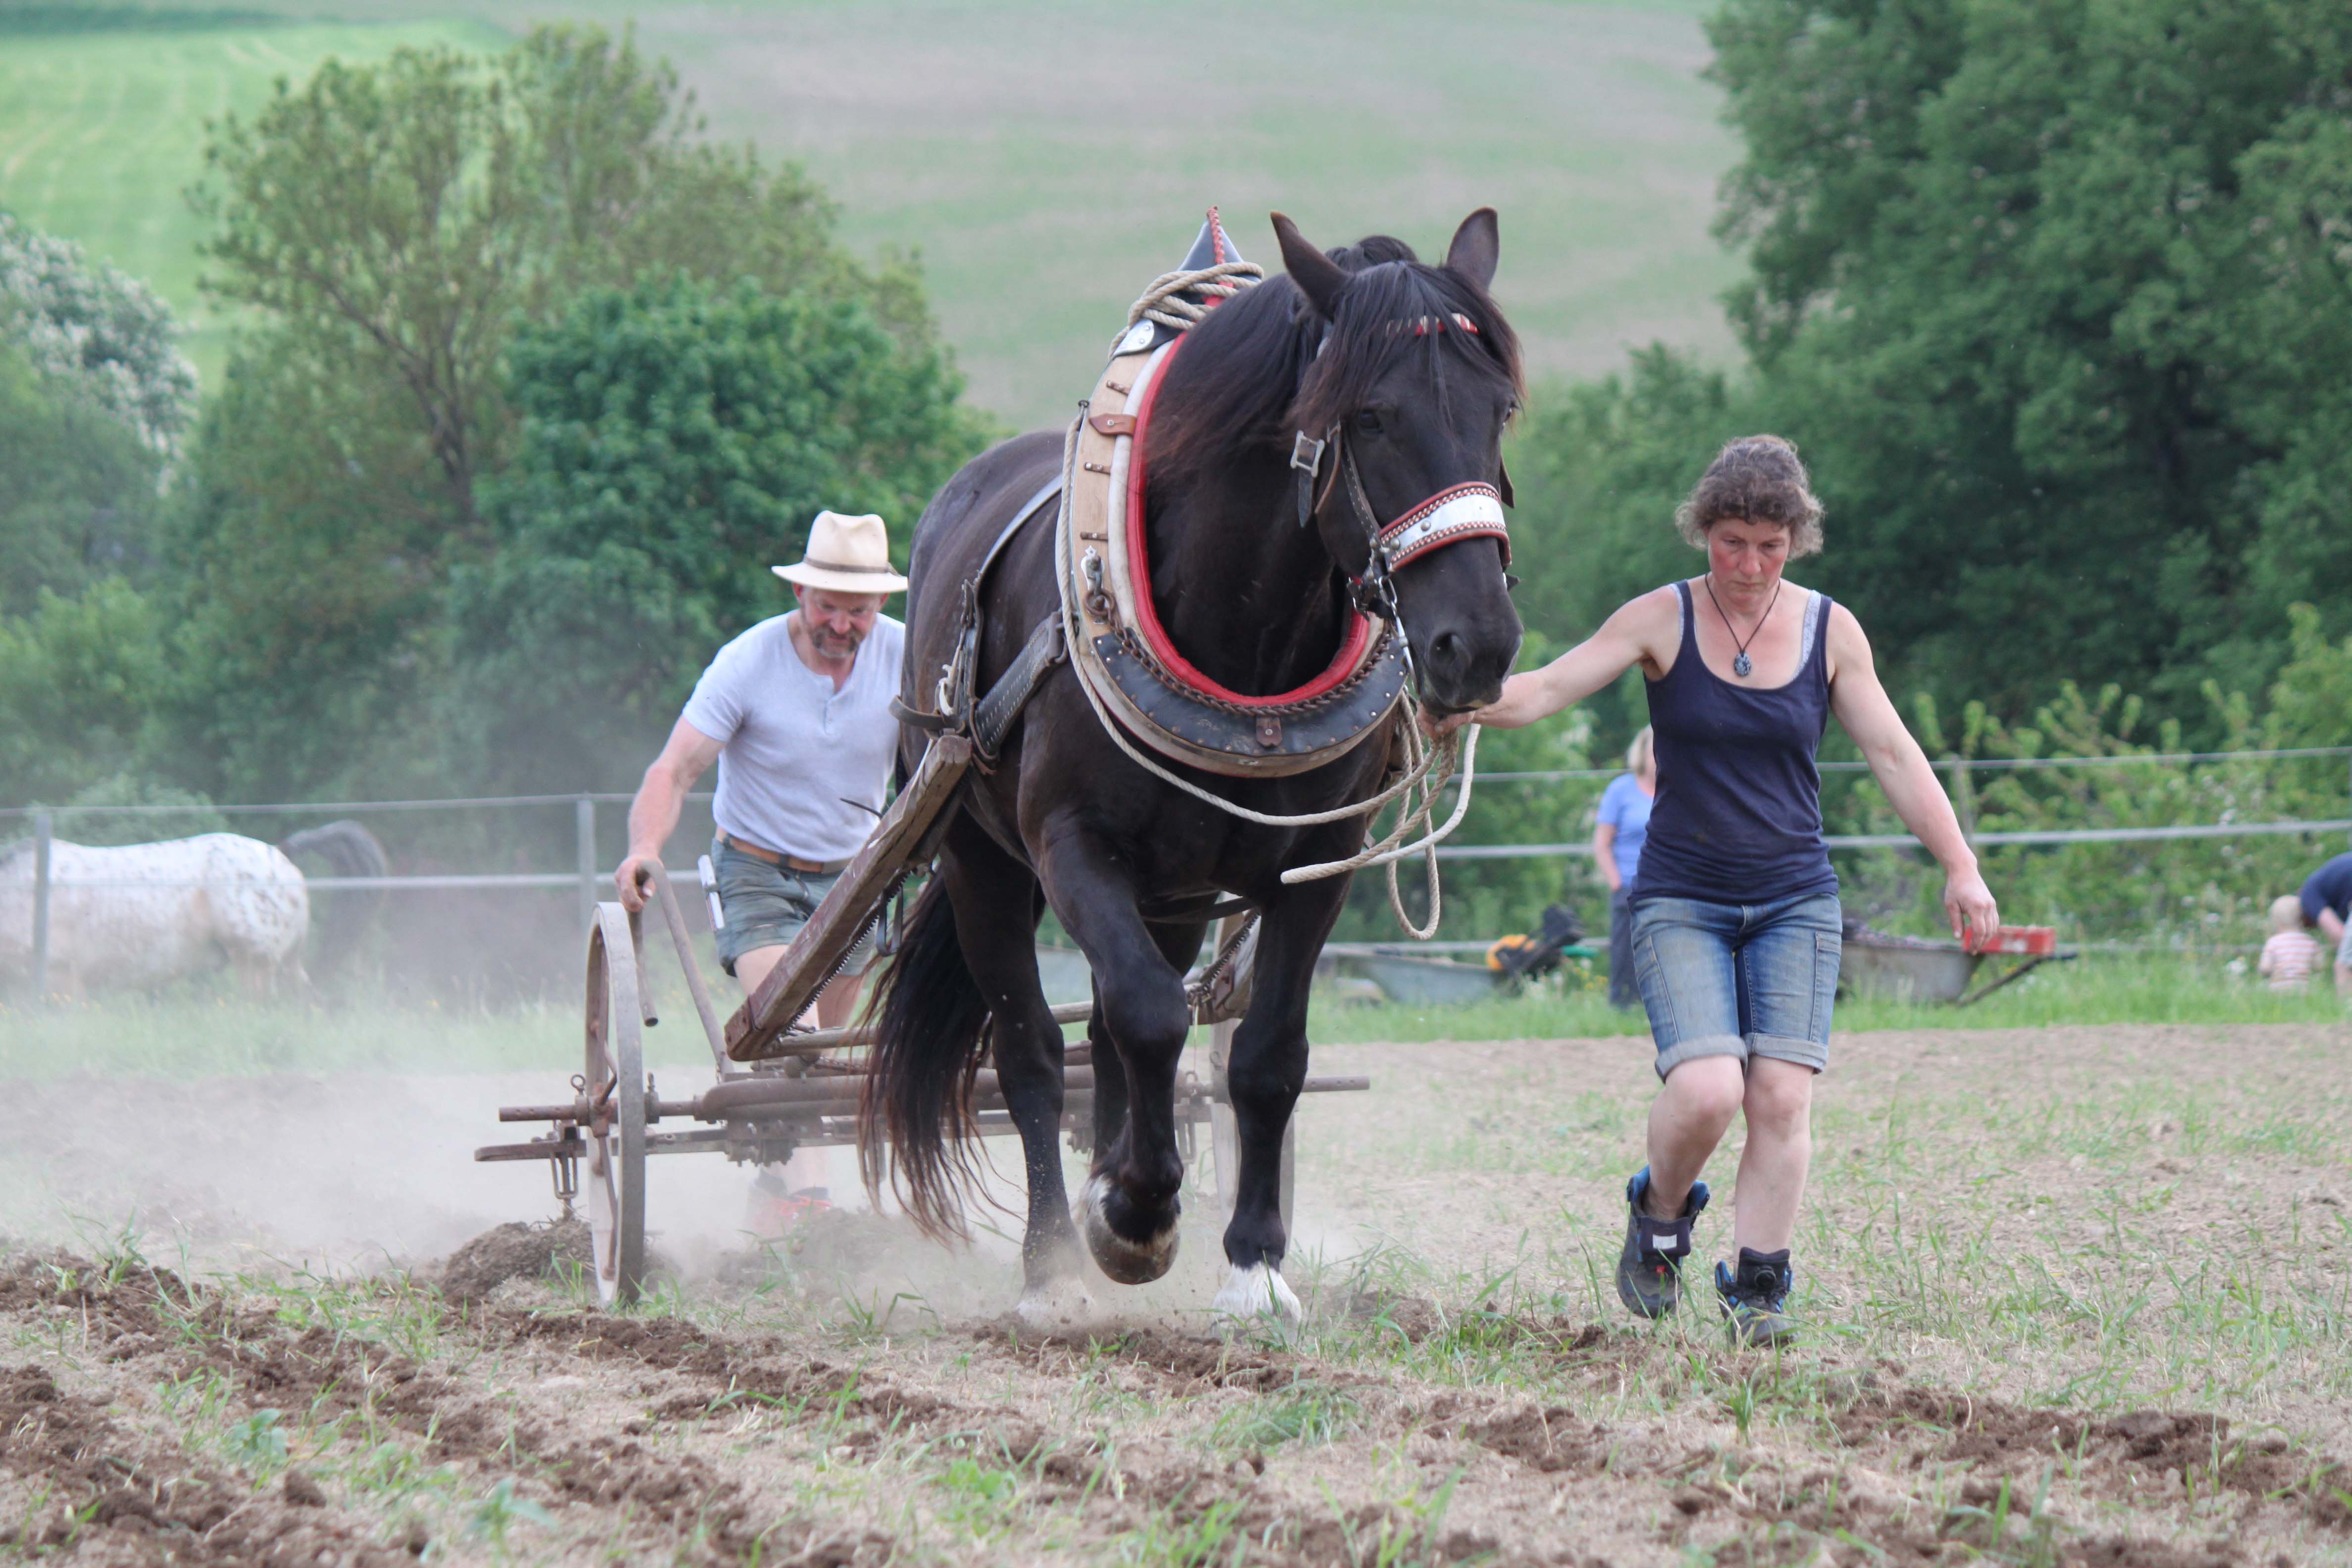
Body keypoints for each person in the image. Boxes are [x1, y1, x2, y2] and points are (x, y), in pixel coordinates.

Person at [1454, 435, 1999, 1346]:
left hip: (1794, 896)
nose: (1749, 565)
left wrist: (1961, 864)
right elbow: (1545, 688)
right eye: (1731, 543)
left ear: (1797, 541)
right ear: (1703, 531)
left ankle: (1759, 1287)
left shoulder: (1831, 631)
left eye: (1769, 547)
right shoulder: (1661, 618)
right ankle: (1660, 1216)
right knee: (1708, 1090)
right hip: (1682, 897)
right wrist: (1446, 699)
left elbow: (1895, 753)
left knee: (1781, 1096)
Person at [614, 510, 909, 1233]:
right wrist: (645, 848)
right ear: (801, 593)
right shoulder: (748, 662)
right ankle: (818, 1212)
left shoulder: (907, 656)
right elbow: (675, 769)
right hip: (755, 872)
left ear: (881, 604)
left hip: (854, 880)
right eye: (827, 607)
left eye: (858, 611)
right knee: (793, 1035)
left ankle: (775, 1191)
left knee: (823, 1059)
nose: (840, 625)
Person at [1594, 727, 1657, 1010]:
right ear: (1642, 752)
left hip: (1668, 884)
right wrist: (1617, 883)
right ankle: (1622, 1008)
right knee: (1624, 952)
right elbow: (1602, 843)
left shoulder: (1679, 788)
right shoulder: (1621, 789)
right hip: (1629, 884)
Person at [2296, 851, 2352, 998]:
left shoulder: (2308, 897)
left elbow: (2339, 934)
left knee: (2344, 964)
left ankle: (2345, 1007)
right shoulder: (2327, 889)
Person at [2257, 894, 2324, 992]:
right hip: (2304, 988)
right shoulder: (2311, 942)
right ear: (2303, 919)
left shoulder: (2273, 942)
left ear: (2277, 922)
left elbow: (2265, 968)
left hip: (2279, 987)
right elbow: (2320, 966)